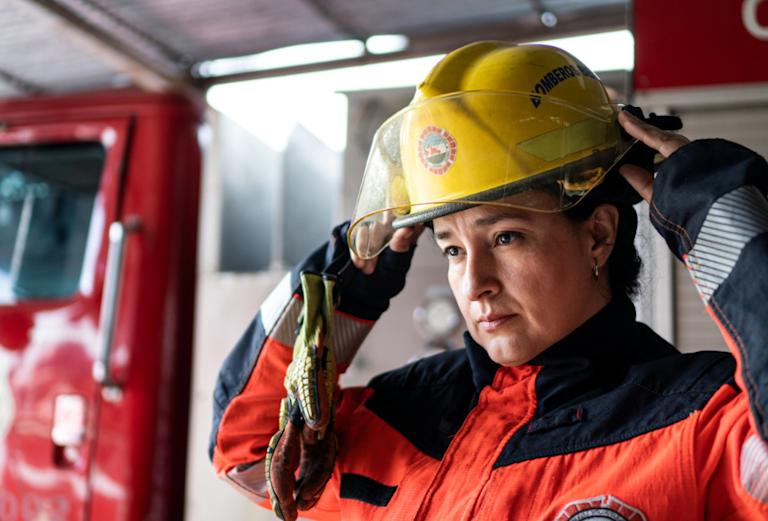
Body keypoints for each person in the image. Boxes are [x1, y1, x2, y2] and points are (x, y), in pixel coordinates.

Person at [209, 41, 768, 520]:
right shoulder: (398, 413)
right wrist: (349, 277)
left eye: (505, 237)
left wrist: (721, 214)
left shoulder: (701, 422)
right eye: (452, 248)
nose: (473, 283)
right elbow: (248, 452)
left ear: (598, 235)